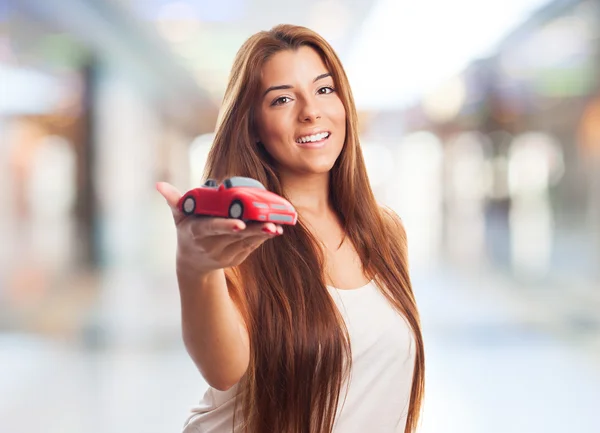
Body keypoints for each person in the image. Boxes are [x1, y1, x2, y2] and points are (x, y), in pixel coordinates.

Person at [156, 24, 425, 433]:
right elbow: (223, 370)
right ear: (253, 128)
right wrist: (197, 269)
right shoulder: (242, 234)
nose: (310, 111)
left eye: (323, 89)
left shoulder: (385, 233)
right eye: (282, 98)